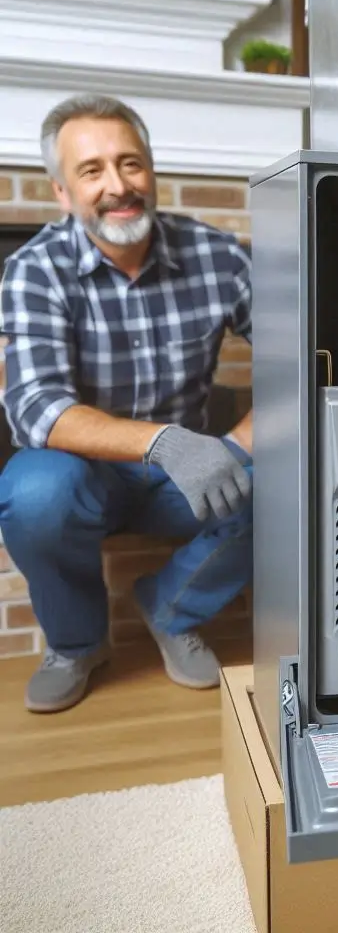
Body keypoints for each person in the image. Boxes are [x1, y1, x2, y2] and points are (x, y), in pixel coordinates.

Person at [0, 94, 254, 714]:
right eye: (92, 171)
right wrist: (163, 442)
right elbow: (34, 406)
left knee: (295, 473)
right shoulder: (34, 270)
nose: (118, 186)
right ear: (62, 193)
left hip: (185, 476)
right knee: (33, 494)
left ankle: (172, 608)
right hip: (83, 474)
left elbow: (297, 364)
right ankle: (77, 645)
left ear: (152, 170)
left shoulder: (220, 257)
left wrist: (231, 448)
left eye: (131, 163)